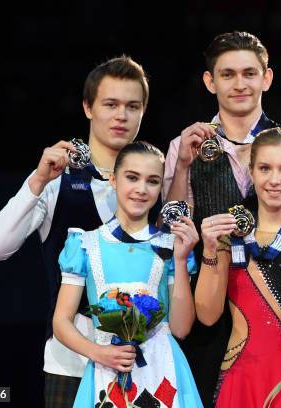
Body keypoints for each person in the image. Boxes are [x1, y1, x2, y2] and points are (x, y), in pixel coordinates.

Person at [164, 31, 281, 405]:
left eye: (249, 73)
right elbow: (172, 229)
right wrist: (184, 166)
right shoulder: (183, 146)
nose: (240, 84)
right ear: (210, 82)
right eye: (227, 74)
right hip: (207, 314)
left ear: (266, 78)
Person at [0, 56, 149, 407]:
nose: (121, 115)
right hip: (71, 364)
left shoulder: (155, 183)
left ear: (143, 112)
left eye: (132, 106)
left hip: (144, 364)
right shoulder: (56, 181)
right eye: (111, 104)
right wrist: (39, 180)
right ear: (88, 107)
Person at [53, 141, 203, 407]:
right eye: (132, 177)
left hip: (163, 372)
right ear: (113, 180)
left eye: (153, 181)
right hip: (105, 372)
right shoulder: (85, 244)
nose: (141, 189)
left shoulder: (172, 247)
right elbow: (61, 322)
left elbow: (180, 328)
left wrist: (180, 261)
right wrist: (99, 353)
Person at [195, 128, 281, 407]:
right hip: (240, 383)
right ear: (252, 172)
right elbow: (208, 316)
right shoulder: (227, 235)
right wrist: (210, 250)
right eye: (265, 168)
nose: (274, 179)